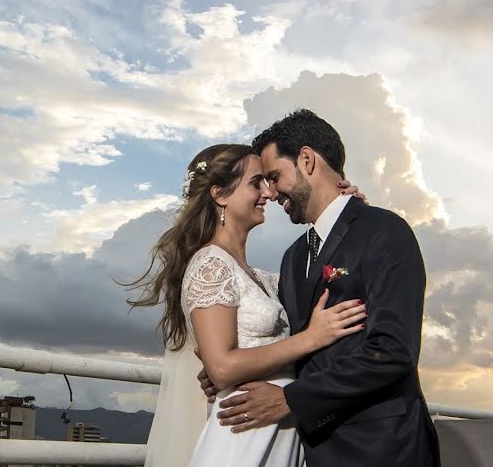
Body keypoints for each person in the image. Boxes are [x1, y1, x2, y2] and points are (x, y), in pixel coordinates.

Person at [208, 110, 441, 466]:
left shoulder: (384, 230)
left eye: (274, 176)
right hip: (312, 450)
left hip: (382, 448)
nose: (270, 193)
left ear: (306, 160)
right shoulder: (293, 256)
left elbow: (393, 350)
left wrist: (291, 400)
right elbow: (288, 342)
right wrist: (233, 370)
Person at [125, 143, 367, 466]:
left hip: (279, 434)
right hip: (242, 441)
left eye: (267, 182)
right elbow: (222, 368)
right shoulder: (210, 265)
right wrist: (310, 338)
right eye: (256, 183)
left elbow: (325, 284)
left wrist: (351, 212)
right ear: (220, 195)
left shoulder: (265, 280)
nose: (268, 193)